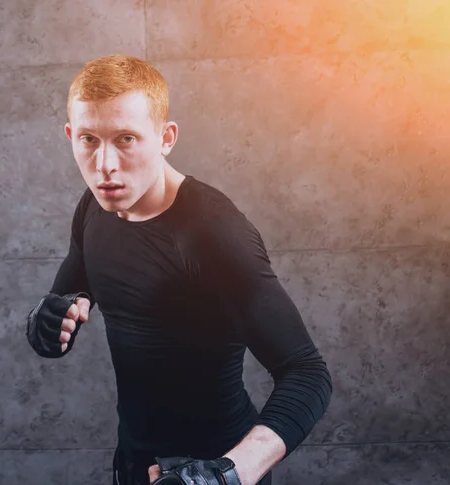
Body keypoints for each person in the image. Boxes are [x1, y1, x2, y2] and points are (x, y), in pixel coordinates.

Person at [26, 54, 333, 485]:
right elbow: (72, 296)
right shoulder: (95, 206)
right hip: (133, 465)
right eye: (89, 139)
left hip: (216, 467)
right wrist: (46, 322)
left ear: (166, 137)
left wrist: (227, 473)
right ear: (70, 136)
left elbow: (307, 374)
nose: (104, 165)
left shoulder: (213, 231)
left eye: (127, 139)